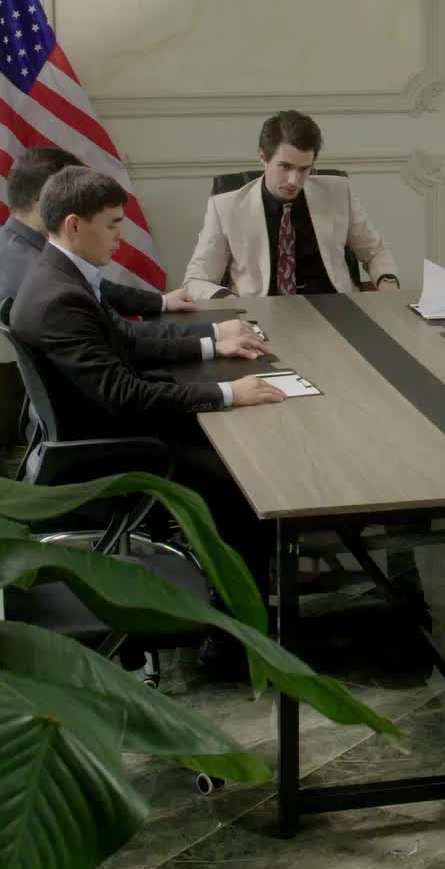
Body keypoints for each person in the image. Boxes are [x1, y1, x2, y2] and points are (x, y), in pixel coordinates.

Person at [11, 167, 286, 652]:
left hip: (108, 427)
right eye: (113, 224)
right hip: (114, 447)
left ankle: (248, 612)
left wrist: (212, 341)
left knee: (238, 441)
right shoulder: (60, 297)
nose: (121, 236)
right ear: (74, 225)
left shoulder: (59, 275)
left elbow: (125, 339)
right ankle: (237, 644)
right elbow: (125, 396)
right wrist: (227, 393)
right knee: (243, 480)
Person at [184, 109, 400, 299]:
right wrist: (230, 301)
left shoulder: (338, 192)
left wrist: (387, 284)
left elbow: (375, 251)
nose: (294, 180)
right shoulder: (226, 208)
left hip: (336, 308)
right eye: (285, 167)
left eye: (304, 169)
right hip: (261, 313)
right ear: (262, 157)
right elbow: (196, 280)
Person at [0, 146, 204, 319]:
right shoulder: (35, 270)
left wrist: (161, 302)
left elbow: (96, 286)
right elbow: (108, 328)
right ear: (44, 200)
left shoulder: (23, 246)